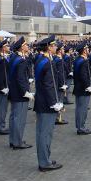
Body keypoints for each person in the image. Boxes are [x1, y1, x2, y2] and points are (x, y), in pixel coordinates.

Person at [33, 35, 64, 171]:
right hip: (47, 103)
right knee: (45, 133)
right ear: (49, 47)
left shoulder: (41, 60)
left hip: (41, 101)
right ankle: (44, 162)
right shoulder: (48, 62)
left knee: (41, 132)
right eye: (54, 45)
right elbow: (49, 85)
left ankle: (44, 158)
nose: (56, 47)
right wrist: (55, 103)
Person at [8, 36, 33, 149]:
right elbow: (21, 78)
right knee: (19, 119)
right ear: (22, 48)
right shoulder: (21, 61)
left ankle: (13, 140)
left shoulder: (13, 58)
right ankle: (18, 142)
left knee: (14, 117)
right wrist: (26, 92)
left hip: (14, 92)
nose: (28, 46)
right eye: (26, 45)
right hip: (20, 94)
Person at [73, 42, 91, 135]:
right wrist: (88, 87)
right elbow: (83, 76)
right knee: (83, 109)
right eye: (87, 49)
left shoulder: (77, 60)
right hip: (83, 89)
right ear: (84, 51)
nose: (88, 50)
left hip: (78, 87)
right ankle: (81, 127)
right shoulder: (84, 61)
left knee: (79, 108)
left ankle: (79, 126)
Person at [0, 41, 11, 135]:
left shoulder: (3, 58)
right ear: (3, 48)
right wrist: (2, 87)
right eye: (7, 45)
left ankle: (1, 126)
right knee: (2, 108)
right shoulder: (1, 59)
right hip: (2, 88)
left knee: (3, 108)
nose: (9, 47)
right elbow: (0, 75)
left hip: (5, 87)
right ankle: (0, 128)